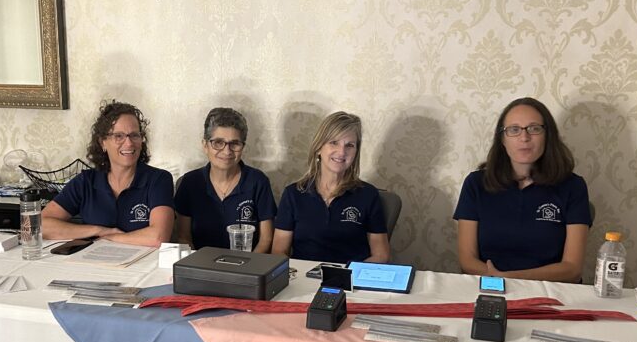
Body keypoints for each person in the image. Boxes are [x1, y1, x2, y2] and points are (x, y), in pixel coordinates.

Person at [453, 96, 591, 282]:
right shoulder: (476, 183)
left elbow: (572, 268)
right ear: (502, 139)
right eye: (514, 130)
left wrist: (508, 278)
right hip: (488, 287)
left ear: (547, 136)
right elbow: (467, 260)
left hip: (550, 293)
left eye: (534, 129)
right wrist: (496, 280)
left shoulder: (573, 187)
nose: (524, 137)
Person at [42, 100, 174, 245]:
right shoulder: (86, 181)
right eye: (119, 136)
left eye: (134, 135)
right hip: (93, 263)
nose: (129, 143)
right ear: (102, 142)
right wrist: (98, 230)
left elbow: (159, 237)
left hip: (142, 266)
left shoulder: (158, 179)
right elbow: (41, 225)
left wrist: (109, 238)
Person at [272, 111, 391, 264]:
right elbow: (278, 251)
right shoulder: (293, 194)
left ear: (356, 152)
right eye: (334, 142)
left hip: (350, 282)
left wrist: (347, 277)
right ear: (319, 148)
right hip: (303, 281)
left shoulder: (368, 195)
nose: (341, 152)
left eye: (349, 145)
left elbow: (381, 255)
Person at [175, 107, 276, 252]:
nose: (227, 151)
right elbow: (184, 237)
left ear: (243, 146)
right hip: (201, 265)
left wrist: (248, 268)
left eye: (234, 143)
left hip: (247, 266)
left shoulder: (258, 181)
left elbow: (266, 239)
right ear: (205, 145)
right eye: (218, 142)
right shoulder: (190, 182)